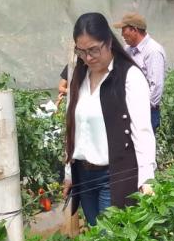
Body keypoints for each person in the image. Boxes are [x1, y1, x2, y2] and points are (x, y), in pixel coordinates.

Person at [62, 13, 156, 226]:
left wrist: (147, 179)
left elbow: (142, 131)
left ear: (109, 42)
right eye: (82, 51)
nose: (88, 57)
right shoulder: (79, 75)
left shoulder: (129, 76)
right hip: (84, 176)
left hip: (113, 176)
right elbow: (72, 126)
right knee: (96, 240)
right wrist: (69, 172)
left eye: (94, 49)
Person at [113, 13, 166, 131]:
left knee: (142, 147)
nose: (122, 35)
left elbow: (156, 86)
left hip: (145, 112)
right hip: (128, 109)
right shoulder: (128, 49)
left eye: (124, 30)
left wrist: (141, 110)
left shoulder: (153, 51)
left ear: (134, 30)